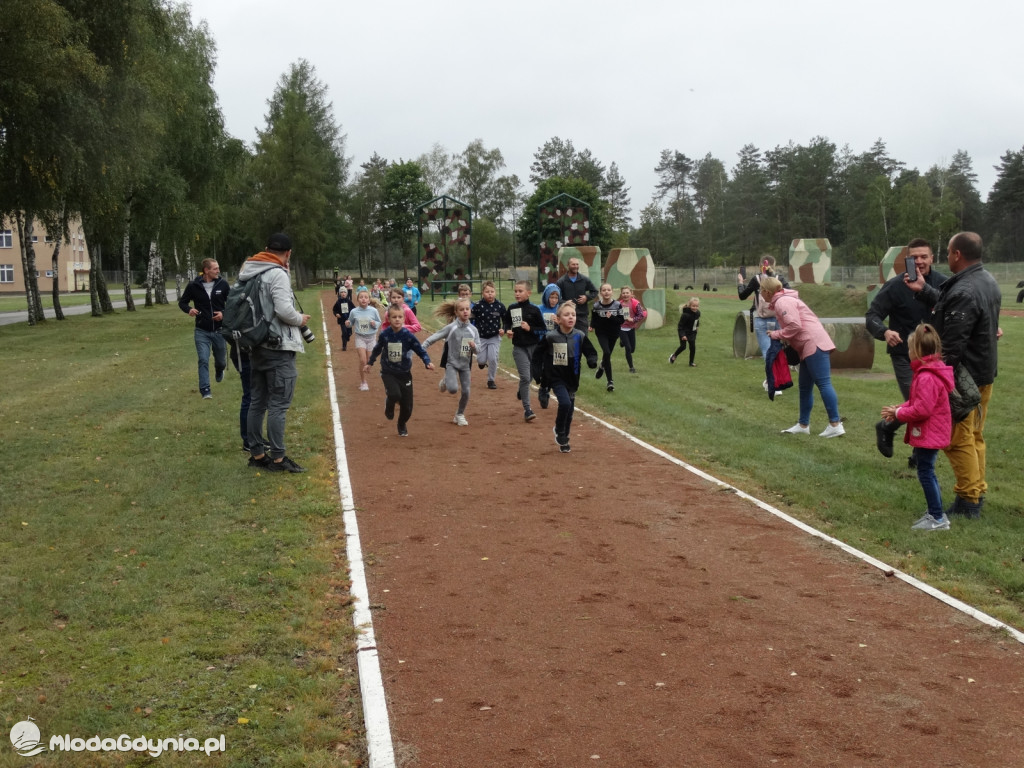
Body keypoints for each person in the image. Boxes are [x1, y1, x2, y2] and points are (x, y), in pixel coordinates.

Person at [907, 231, 1000, 518]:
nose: (947, 257)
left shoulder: (964, 290)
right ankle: (977, 489)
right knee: (975, 436)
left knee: (959, 439)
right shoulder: (986, 280)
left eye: (947, 252)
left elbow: (954, 345)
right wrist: (924, 290)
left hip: (965, 378)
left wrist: (936, 378)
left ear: (957, 254)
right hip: (984, 374)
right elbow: (956, 307)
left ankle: (969, 498)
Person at [866, 238, 947, 465]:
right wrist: (885, 332)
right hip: (905, 356)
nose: (919, 262)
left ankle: (890, 428)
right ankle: (918, 456)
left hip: (937, 358)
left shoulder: (943, 283)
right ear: (907, 260)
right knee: (919, 404)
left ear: (932, 258)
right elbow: (871, 317)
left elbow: (958, 309)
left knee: (931, 406)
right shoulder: (894, 287)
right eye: (914, 258)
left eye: (924, 257)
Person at [241, 233, 310, 473]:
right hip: (278, 346)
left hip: (255, 344)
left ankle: (257, 454)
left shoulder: (249, 270)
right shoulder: (276, 274)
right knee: (278, 404)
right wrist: (300, 318)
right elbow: (283, 310)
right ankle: (278, 459)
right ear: (288, 253)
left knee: (257, 402)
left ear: (266, 249)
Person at [879, 324, 955, 531]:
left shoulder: (926, 377)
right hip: (933, 430)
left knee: (925, 472)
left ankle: (937, 518)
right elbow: (916, 401)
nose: (908, 352)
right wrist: (898, 408)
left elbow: (922, 409)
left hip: (929, 431)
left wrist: (898, 414)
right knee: (927, 470)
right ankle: (937, 513)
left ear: (918, 352)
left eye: (911, 349)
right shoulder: (930, 371)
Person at [761, 276, 845, 438]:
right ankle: (803, 424)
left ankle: (835, 424)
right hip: (808, 345)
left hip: (813, 343)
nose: (760, 294)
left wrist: (777, 334)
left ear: (766, 291)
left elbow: (795, 325)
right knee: (805, 387)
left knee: (823, 383)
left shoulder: (782, 302)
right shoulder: (784, 299)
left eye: (760, 291)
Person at [536, 301, 598, 453]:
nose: (571, 317)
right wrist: (537, 372)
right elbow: (537, 354)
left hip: (573, 377)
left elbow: (591, 351)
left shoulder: (580, 336)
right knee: (564, 403)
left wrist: (592, 360)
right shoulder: (551, 337)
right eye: (566, 315)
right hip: (556, 376)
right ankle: (559, 428)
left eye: (573, 315)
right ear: (558, 319)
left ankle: (564, 438)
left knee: (569, 410)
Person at [364, 304, 434, 437]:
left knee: (407, 407)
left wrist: (427, 361)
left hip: (404, 373)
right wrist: (370, 363)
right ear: (388, 319)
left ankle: (401, 423)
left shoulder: (408, 335)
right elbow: (377, 349)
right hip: (388, 371)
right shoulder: (385, 334)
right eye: (394, 317)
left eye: (400, 317)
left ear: (404, 319)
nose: (397, 319)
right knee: (395, 394)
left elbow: (419, 349)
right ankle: (389, 405)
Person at [178, 258, 229, 399]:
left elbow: (232, 304)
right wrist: (189, 309)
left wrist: (223, 314)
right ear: (206, 270)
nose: (218, 271)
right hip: (202, 331)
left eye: (218, 268)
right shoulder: (193, 286)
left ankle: (219, 370)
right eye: (215, 268)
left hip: (219, 330)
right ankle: (205, 389)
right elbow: (182, 303)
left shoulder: (223, 284)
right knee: (203, 359)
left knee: (221, 361)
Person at [423, 298, 479, 426]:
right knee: (453, 389)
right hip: (452, 363)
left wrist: (474, 346)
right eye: (462, 309)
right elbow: (436, 336)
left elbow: (478, 350)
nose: (465, 312)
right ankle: (445, 381)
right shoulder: (451, 328)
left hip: (465, 365)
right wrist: (423, 346)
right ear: (456, 312)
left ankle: (459, 414)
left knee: (466, 391)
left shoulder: (473, 330)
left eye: (467, 309)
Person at [503, 280, 546, 420]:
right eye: (515, 291)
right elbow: (507, 322)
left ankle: (522, 389)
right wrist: (507, 330)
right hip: (519, 348)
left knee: (532, 375)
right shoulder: (512, 308)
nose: (517, 293)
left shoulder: (534, 310)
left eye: (520, 291)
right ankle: (527, 410)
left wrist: (530, 329)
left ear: (529, 293)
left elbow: (543, 329)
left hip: (534, 348)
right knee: (526, 377)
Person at [737, 256, 789, 358]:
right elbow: (791, 295)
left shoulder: (756, 279)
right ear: (774, 265)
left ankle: (770, 373)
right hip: (778, 318)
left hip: (761, 319)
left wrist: (740, 282)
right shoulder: (780, 279)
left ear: (759, 265)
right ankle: (778, 373)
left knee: (766, 351)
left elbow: (742, 296)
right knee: (779, 351)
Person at [589, 283, 624, 391]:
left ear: (612, 292)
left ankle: (602, 366)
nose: (606, 292)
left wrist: (612, 317)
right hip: (601, 333)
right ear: (600, 293)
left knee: (607, 355)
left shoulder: (618, 305)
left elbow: (621, 320)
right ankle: (610, 381)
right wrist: (591, 326)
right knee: (607, 353)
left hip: (613, 333)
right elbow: (594, 318)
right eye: (604, 290)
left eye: (608, 290)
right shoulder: (596, 306)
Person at [471, 280, 506, 389]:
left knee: (493, 358)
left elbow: (505, 320)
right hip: (480, 337)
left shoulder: (500, 306)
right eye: (487, 292)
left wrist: (503, 329)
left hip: (494, 337)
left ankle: (491, 380)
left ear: (495, 292)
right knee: (481, 360)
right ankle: (481, 363)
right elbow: (471, 320)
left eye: (492, 291)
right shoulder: (477, 306)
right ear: (482, 293)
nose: (490, 294)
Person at [347, 287, 383, 391]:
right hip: (360, 337)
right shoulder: (354, 311)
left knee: (369, 360)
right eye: (361, 297)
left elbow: (379, 322)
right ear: (358, 299)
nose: (363, 299)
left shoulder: (373, 310)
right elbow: (350, 323)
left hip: (371, 337)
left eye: (366, 297)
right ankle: (363, 382)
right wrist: (348, 324)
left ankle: (367, 367)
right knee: (363, 360)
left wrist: (374, 324)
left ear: (369, 300)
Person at [536, 284, 562, 409]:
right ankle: (543, 388)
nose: (553, 300)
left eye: (556, 298)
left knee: (552, 370)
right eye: (551, 297)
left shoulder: (560, 310)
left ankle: (545, 389)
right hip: (542, 343)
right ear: (546, 297)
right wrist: (542, 329)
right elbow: (534, 328)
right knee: (544, 369)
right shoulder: (539, 309)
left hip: (556, 345)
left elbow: (565, 329)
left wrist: (558, 324)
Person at [555, 257, 598, 323]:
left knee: (582, 334)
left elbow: (595, 291)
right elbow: (555, 298)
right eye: (573, 264)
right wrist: (565, 302)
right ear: (568, 266)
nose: (576, 266)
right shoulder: (561, 282)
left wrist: (586, 297)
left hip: (582, 315)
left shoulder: (584, 279)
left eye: (577, 264)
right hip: (567, 315)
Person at [618, 286, 647, 373]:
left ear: (631, 294)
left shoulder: (635, 303)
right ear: (621, 294)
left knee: (632, 349)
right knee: (628, 348)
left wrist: (633, 320)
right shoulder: (619, 304)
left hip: (631, 328)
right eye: (623, 293)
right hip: (622, 328)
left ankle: (622, 342)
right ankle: (631, 367)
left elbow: (641, 315)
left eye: (627, 293)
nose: (625, 294)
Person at [669, 297, 701, 367]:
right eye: (693, 306)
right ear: (690, 306)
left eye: (696, 306)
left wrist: (697, 327)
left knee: (692, 347)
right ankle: (674, 356)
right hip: (683, 332)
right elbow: (680, 326)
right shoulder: (685, 315)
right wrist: (683, 335)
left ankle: (691, 362)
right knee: (683, 347)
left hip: (692, 332)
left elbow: (697, 320)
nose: (695, 308)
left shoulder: (698, 313)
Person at [332, 287, 353, 351]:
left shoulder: (349, 301)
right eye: (341, 292)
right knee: (344, 332)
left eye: (344, 292)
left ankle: (348, 336)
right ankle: (344, 346)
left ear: (346, 293)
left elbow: (353, 308)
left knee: (349, 332)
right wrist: (336, 314)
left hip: (349, 320)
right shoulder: (338, 302)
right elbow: (334, 310)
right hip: (342, 320)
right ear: (339, 294)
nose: (343, 293)